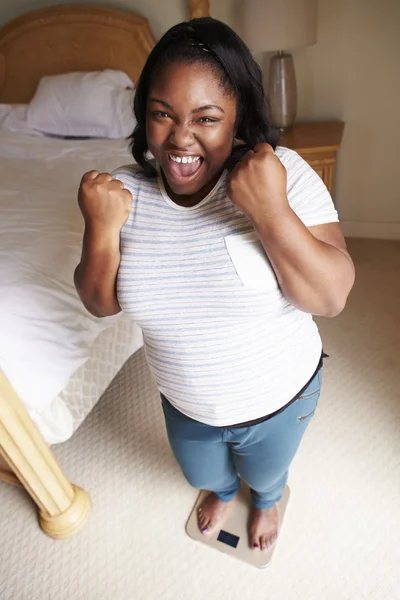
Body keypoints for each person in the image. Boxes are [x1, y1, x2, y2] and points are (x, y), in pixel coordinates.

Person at [74, 18, 355, 552]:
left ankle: (269, 500)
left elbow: (331, 297)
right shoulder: (121, 195)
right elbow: (99, 303)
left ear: (238, 118)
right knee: (202, 472)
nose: (180, 137)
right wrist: (101, 229)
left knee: (268, 473)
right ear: (145, 115)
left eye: (206, 117)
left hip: (281, 396)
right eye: (163, 114)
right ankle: (224, 491)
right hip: (184, 403)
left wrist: (270, 211)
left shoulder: (283, 173)